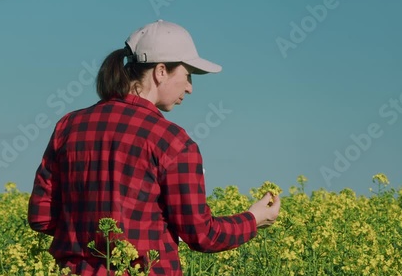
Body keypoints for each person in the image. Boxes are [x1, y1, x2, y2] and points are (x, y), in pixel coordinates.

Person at [28, 19, 281, 276]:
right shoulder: (173, 142)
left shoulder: (68, 126)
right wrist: (254, 219)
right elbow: (202, 235)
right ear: (161, 71)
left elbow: (41, 216)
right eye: (187, 75)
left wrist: (87, 235)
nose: (190, 88)